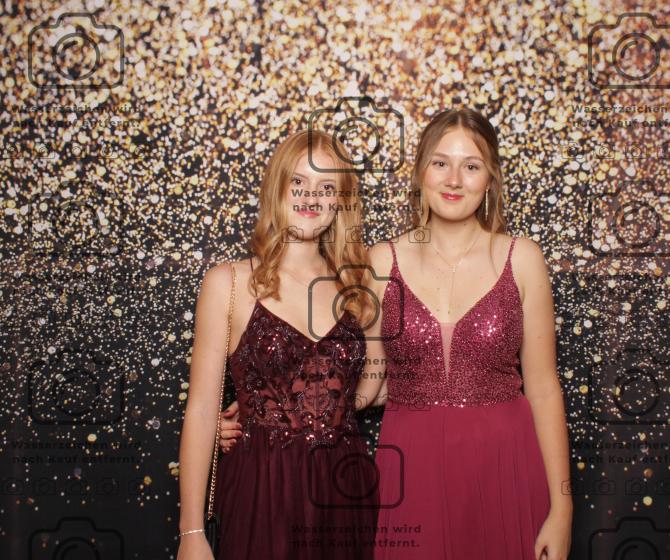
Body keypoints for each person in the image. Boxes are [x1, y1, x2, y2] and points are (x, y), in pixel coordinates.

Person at [357, 107, 573, 559]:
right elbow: (368, 386)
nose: (454, 179)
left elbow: (544, 388)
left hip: (505, 465)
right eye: (441, 163)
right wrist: (276, 405)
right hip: (411, 467)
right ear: (420, 171)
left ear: (490, 179)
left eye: (471, 166)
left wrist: (563, 508)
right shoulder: (381, 261)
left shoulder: (522, 259)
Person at [176, 129, 378, 560]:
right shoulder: (228, 283)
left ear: (341, 202)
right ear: (277, 188)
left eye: (326, 187)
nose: (311, 197)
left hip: (345, 485)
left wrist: (297, 407)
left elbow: (370, 388)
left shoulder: (357, 287)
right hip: (262, 486)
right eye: (298, 182)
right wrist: (191, 531)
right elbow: (201, 409)